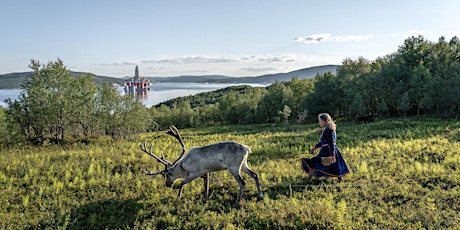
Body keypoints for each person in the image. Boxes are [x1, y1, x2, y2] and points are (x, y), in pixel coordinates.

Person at [301, 113, 350, 182]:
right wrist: (315, 147)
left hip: (328, 151)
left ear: (325, 121)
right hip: (329, 150)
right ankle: (340, 179)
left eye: (320, 120)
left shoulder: (329, 130)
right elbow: (323, 142)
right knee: (334, 166)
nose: (319, 122)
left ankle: (307, 180)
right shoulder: (327, 129)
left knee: (314, 164)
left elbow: (331, 143)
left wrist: (332, 155)